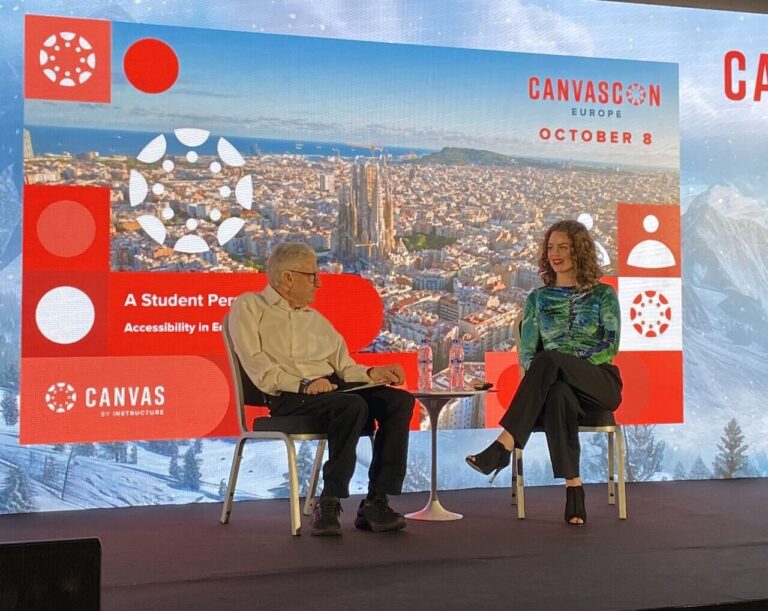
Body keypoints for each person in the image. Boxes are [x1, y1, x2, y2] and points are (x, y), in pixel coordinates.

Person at [228, 242, 414, 536]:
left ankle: (376, 502)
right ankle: (329, 501)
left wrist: (372, 373)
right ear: (288, 278)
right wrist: (303, 384)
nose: (319, 282)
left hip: (331, 392)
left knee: (398, 401)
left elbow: (345, 367)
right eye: (312, 275)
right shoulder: (250, 306)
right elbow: (257, 366)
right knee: (351, 406)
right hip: (286, 397)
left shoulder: (316, 321)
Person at [466, 219, 622, 525]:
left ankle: (503, 445)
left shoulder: (604, 294)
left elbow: (610, 345)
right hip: (557, 387)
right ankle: (574, 491)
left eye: (563, 247)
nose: (556, 254)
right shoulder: (538, 299)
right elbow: (526, 353)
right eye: (551, 247)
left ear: (580, 251)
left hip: (598, 383)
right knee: (557, 393)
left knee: (551, 359)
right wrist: (558, 370)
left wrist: (569, 363)